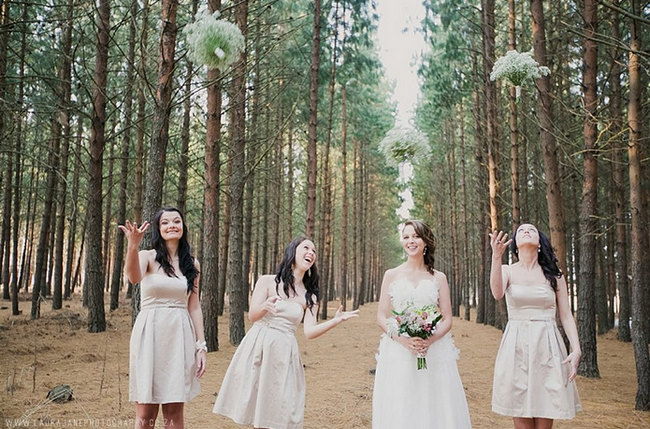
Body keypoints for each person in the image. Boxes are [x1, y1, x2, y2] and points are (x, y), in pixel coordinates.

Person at [213, 236, 359, 429]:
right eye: (306, 248)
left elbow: (310, 332)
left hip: (285, 352)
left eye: (314, 251)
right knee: (257, 409)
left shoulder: (310, 295)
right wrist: (264, 306)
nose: (311, 253)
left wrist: (336, 320)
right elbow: (252, 317)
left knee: (280, 410)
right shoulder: (266, 281)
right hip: (259, 346)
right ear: (293, 251)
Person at [373, 220, 471, 428]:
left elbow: (447, 318)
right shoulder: (391, 275)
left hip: (433, 350)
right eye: (406, 236)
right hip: (398, 350)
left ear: (425, 241)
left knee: (434, 402)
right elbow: (381, 316)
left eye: (416, 236)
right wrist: (402, 340)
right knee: (402, 403)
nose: (411, 241)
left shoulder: (438, 277)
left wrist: (430, 340)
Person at [119, 207, 206, 429]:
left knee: (174, 411)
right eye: (165, 223)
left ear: (183, 227)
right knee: (146, 411)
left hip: (180, 335)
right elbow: (133, 277)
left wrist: (201, 346)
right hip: (150, 332)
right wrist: (133, 245)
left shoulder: (192, 264)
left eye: (176, 221)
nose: (172, 226)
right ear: (159, 229)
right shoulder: (147, 256)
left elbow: (194, 307)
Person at [490, 224, 582, 429]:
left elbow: (566, 316)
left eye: (531, 230)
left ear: (540, 242)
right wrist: (496, 257)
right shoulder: (507, 271)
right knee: (520, 411)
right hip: (516, 345)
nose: (526, 231)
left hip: (547, 345)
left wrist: (576, 349)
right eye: (521, 230)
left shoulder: (555, 275)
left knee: (545, 412)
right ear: (514, 244)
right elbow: (497, 293)